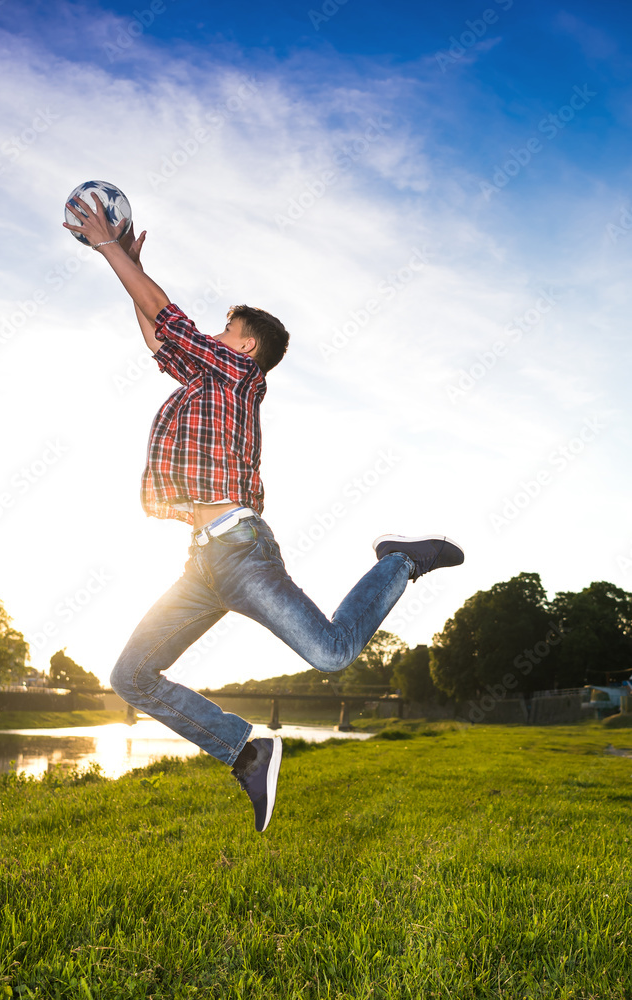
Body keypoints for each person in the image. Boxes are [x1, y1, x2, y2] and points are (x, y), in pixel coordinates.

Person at [63, 195, 464, 833]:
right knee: (130, 675)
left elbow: (169, 319)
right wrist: (127, 269)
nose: (214, 340)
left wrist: (109, 248)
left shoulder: (241, 378)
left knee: (332, 655)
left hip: (242, 555)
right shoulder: (205, 380)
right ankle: (246, 750)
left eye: (225, 332)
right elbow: (160, 336)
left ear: (245, 348)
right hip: (200, 567)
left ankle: (401, 560)